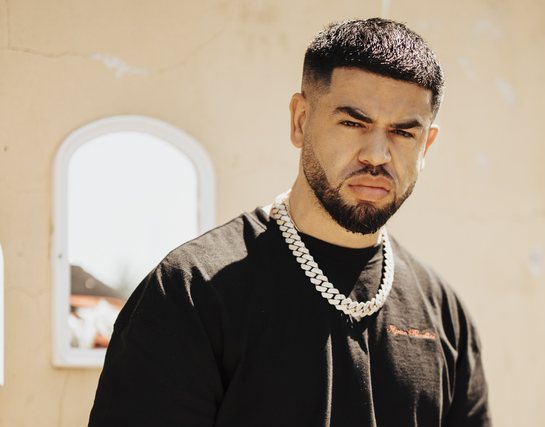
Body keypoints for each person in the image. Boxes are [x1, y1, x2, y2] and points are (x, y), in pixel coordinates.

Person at [89, 18, 491, 427]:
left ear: (427, 146)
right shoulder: (192, 292)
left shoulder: (443, 314)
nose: (376, 155)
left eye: (403, 133)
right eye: (353, 123)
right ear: (300, 120)